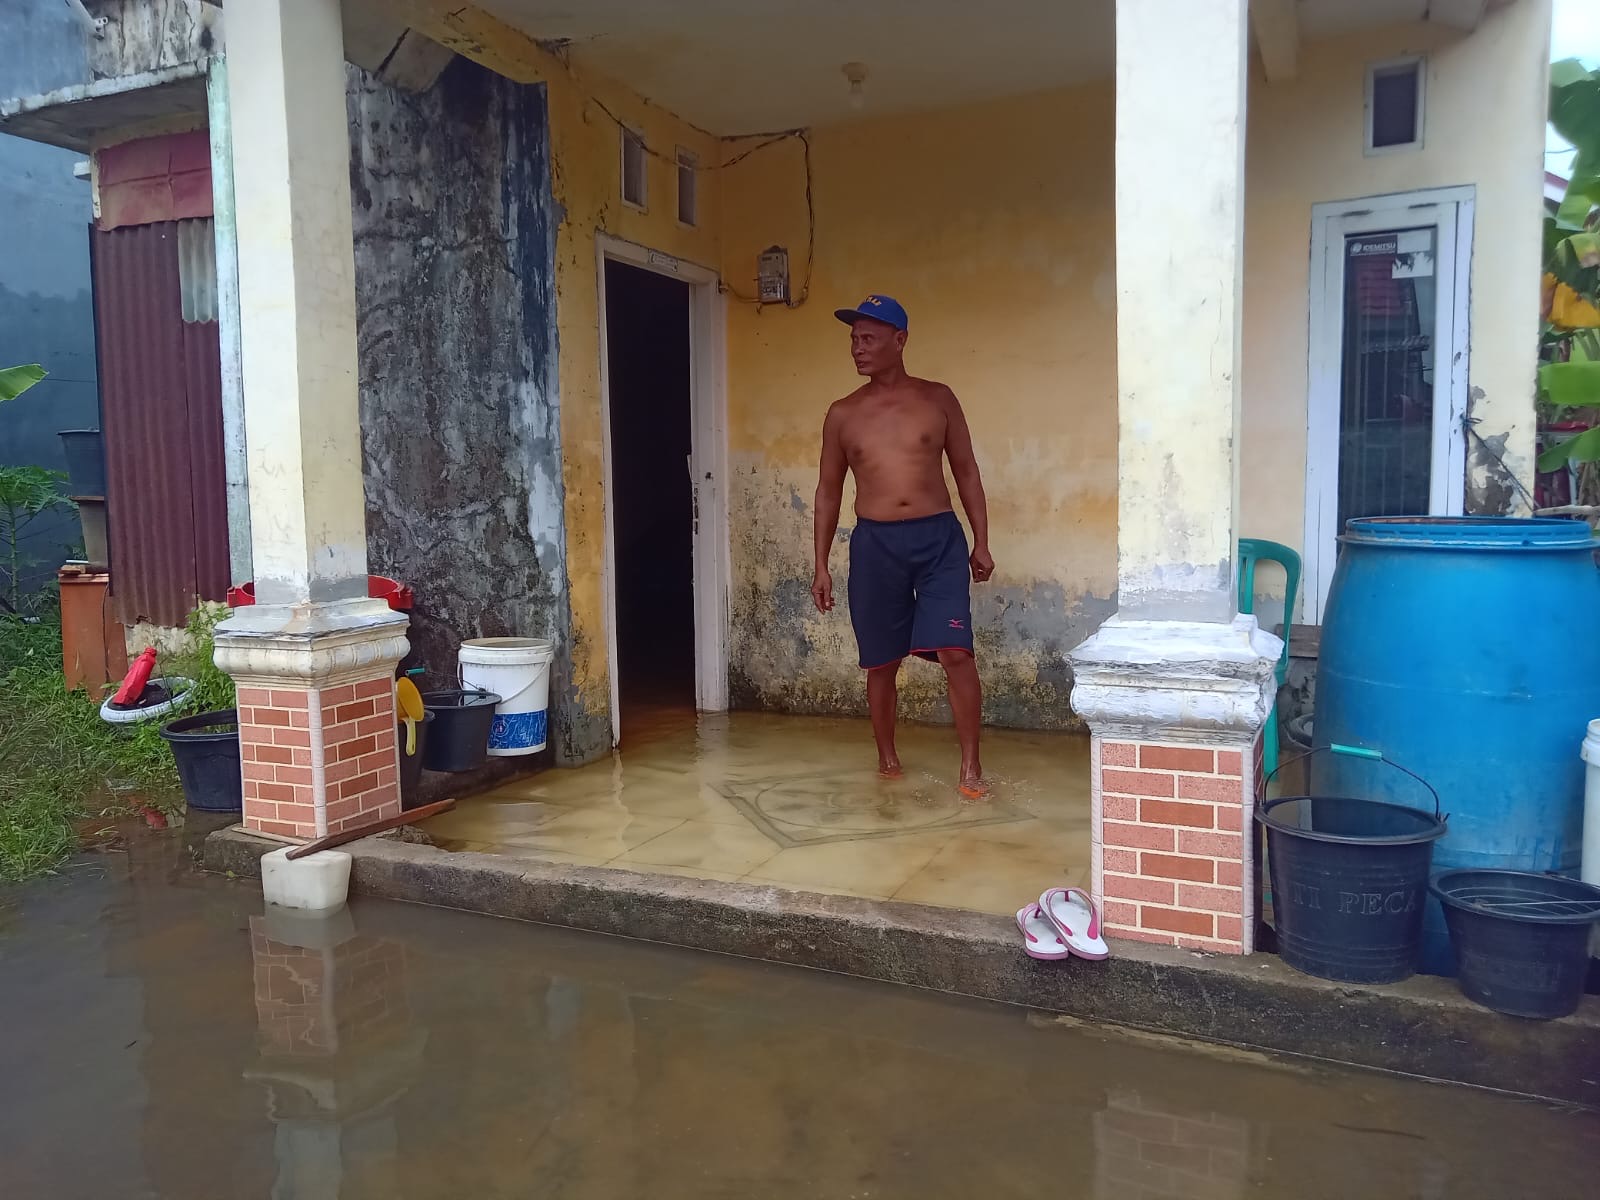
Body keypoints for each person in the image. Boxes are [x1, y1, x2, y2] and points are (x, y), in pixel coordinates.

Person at [811, 294, 993, 797]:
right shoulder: (843, 414)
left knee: (956, 651)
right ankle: (887, 758)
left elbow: (967, 471)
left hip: (938, 540)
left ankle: (971, 766)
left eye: (868, 338)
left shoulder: (938, 399)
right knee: (881, 660)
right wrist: (821, 564)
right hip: (875, 546)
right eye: (853, 339)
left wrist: (982, 541)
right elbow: (829, 491)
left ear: (900, 340)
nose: (857, 348)